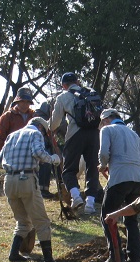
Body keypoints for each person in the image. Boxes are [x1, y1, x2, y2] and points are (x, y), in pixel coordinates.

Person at [0, 117, 64, 262]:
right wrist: (53, 159)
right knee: (42, 221)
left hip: (9, 181)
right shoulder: (35, 134)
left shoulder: (11, 135)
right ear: (40, 127)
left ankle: (14, 254)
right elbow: (38, 152)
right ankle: (48, 259)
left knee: (23, 221)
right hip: (26, 179)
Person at [98, 108, 140, 262]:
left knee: (108, 217)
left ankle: (116, 256)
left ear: (106, 120)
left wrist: (102, 165)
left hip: (119, 178)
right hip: (139, 180)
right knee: (131, 218)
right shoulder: (135, 135)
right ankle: (135, 256)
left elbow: (104, 153)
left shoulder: (107, 129)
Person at [50, 72, 101, 215]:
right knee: (92, 168)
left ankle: (76, 196)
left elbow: (55, 122)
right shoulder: (91, 93)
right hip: (93, 134)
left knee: (68, 169)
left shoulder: (63, 97)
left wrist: (50, 129)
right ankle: (90, 203)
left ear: (63, 85)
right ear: (77, 82)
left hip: (75, 134)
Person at [0, 87, 35, 157]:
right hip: (11, 153)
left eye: (27, 102)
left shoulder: (34, 116)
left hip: (30, 154)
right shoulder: (8, 116)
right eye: (22, 101)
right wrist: (2, 152)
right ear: (17, 102)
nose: (25, 104)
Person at [33, 98, 55, 199]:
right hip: (38, 147)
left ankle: (44, 188)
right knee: (45, 161)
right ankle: (41, 189)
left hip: (46, 144)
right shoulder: (38, 119)